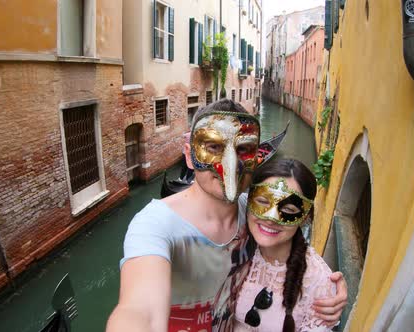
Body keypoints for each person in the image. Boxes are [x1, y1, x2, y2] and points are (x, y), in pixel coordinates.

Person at [107, 100, 346, 332]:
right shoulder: (154, 225)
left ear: (257, 157)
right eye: (213, 147)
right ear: (190, 156)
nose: (229, 165)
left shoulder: (256, 211)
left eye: (243, 149)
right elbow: (140, 310)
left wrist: (326, 285)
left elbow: (289, 234)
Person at [233, 159, 337, 331]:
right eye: (263, 201)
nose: (271, 218)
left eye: (288, 210)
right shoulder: (235, 246)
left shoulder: (319, 282)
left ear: (304, 217)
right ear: (249, 199)